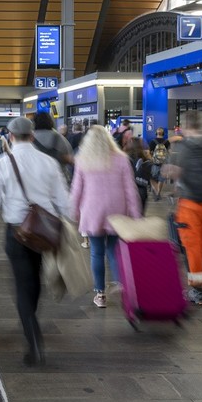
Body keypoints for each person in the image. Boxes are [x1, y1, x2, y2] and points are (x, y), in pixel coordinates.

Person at [0, 117, 69, 366]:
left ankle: (34, 342)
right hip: (43, 232)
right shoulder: (49, 162)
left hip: (17, 232)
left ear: (10, 136)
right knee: (34, 280)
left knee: (22, 285)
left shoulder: (2, 162)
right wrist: (74, 220)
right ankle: (31, 322)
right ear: (32, 136)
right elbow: (63, 199)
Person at [71, 126, 142, 308]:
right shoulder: (122, 159)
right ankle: (121, 285)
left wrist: (73, 213)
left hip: (93, 210)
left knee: (96, 252)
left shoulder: (82, 160)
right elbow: (130, 190)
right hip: (117, 210)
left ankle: (100, 294)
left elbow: (76, 190)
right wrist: (135, 214)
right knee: (114, 250)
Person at [163, 110, 202, 306]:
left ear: (186, 126)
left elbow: (175, 172)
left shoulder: (184, 147)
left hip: (190, 204)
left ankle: (198, 291)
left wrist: (168, 170)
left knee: (192, 247)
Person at [33, 112, 74, 178]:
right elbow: (69, 156)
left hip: (36, 177)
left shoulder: (30, 138)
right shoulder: (58, 137)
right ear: (51, 121)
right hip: (58, 176)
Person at [125, 137, 152, 214]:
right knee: (139, 216)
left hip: (128, 190)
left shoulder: (124, 158)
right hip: (142, 191)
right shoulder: (145, 159)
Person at [148, 128, 170, 200]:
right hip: (164, 163)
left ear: (156, 133)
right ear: (163, 134)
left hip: (155, 163)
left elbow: (149, 153)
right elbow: (169, 152)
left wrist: (152, 159)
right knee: (161, 179)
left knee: (152, 178)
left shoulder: (152, 142)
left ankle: (155, 190)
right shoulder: (167, 142)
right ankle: (158, 193)